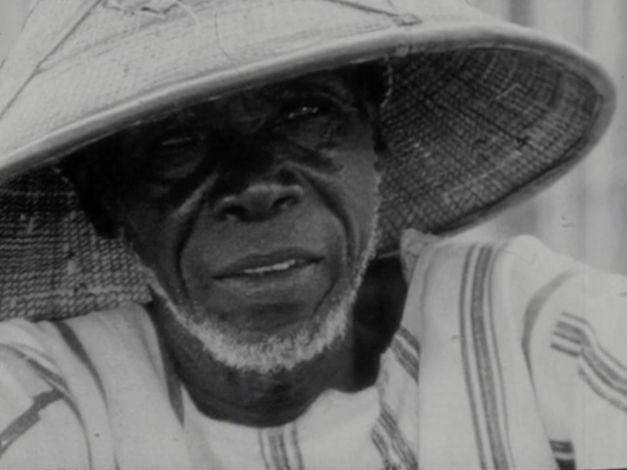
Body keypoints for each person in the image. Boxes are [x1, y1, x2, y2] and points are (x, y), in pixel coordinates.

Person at [0, 0, 624, 469]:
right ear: (103, 199)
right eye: (176, 144)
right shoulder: (44, 392)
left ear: (374, 138)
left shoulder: (527, 323)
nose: (255, 188)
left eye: (304, 115)